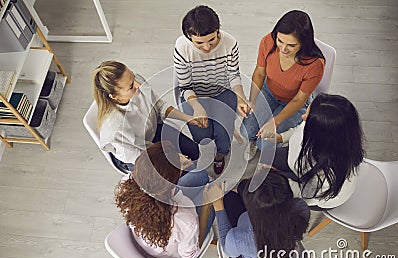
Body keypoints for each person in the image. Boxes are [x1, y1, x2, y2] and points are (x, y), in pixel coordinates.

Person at [174, 5, 251, 174]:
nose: (207, 47)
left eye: (212, 40)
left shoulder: (230, 43)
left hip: (222, 92)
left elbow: (233, 75)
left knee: (224, 135)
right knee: (202, 136)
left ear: (218, 30)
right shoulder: (182, 47)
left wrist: (240, 97)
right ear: (189, 37)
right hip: (194, 96)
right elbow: (185, 87)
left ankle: (220, 156)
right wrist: (197, 106)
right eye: (199, 43)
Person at [241, 10, 325, 160]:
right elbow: (260, 73)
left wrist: (275, 121)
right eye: (280, 41)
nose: (283, 49)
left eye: (291, 45)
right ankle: (256, 138)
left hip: (294, 101)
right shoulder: (268, 41)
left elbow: (299, 99)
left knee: (265, 143)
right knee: (245, 132)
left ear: (303, 43)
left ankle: (283, 143)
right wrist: (252, 100)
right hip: (269, 91)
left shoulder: (315, 64)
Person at [93, 60, 203, 172]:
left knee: (193, 151)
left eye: (133, 76)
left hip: (153, 131)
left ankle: (193, 175)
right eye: (131, 86)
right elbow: (138, 155)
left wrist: (188, 118)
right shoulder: (115, 128)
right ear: (115, 96)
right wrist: (173, 159)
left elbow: (159, 106)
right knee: (176, 173)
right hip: (138, 156)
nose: (138, 84)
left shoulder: (137, 83)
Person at [115, 141, 214, 258]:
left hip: (149, 236)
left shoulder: (125, 184)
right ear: (170, 182)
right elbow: (189, 255)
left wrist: (176, 167)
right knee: (213, 202)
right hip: (170, 254)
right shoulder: (185, 219)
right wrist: (206, 206)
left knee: (201, 174)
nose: (181, 156)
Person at [267, 93, 365, 209]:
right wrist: (281, 137)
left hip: (316, 197)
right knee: (270, 159)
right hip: (301, 161)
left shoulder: (327, 177)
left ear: (318, 133)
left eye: (307, 117)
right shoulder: (322, 129)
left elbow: (305, 196)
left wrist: (283, 179)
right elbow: (300, 129)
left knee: (271, 185)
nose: (302, 117)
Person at [206, 169, 310, 258]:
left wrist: (218, 205)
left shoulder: (241, 239)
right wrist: (273, 176)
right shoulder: (301, 209)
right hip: (283, 256)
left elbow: (227, 248)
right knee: (243, 186)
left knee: (229, 198)